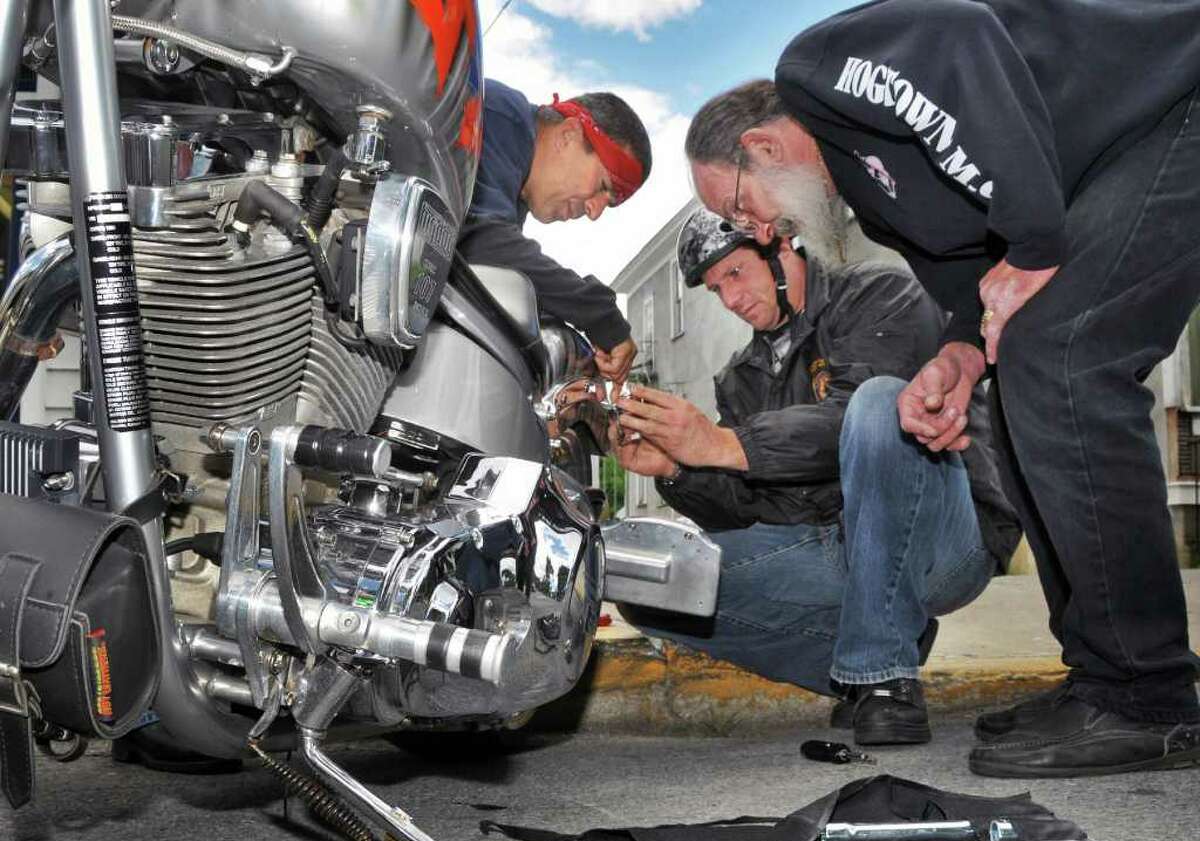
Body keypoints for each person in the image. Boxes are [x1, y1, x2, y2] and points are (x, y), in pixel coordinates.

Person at [685, 0, 1200, 776]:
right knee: (1022, 361)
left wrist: (1030, 241)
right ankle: (1102, 673)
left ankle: (1148, 693)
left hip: (1172, 105)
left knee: (1063, 357)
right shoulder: (879, 204)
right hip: (1104, 170)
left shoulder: (818, 71)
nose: (760, 231)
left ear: (762, 145)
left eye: (738, 206)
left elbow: (957, 33)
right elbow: (972, 293)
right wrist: (960, 354)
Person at [612, 208, 1019, 745]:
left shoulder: (881, 294)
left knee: (878, 405)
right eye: (716, 290)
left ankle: (882, 677)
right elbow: (746, 509)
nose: (731, 299)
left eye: (735, 273)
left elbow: (865, 423)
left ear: (781, 249)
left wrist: (723, 442)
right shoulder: (739, 377)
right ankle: (867, 647)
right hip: (832, 545)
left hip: (943, 540)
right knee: (653, 583)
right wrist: (674, 468)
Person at [459, 79, 650, 386]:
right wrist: (598, 313)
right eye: (603, 186)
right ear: (569, 135)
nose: (595, 212)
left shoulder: (510, 180)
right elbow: (479, 244)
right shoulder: (495, 114)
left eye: (609, 205)